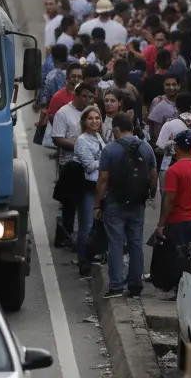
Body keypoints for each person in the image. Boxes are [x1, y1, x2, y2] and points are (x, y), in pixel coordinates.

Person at [94, 112, 158, 298]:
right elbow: (153, 175)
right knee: (135, 243)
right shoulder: (146, 147)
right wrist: (150, 195)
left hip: (115, 202)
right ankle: (135, 285)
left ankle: (116, 286)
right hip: (138, 202)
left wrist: (97, 205)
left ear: (116, 129)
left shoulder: (110, 149)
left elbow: (103, 179)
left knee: (115, 243)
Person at [154, 129, 191, 299]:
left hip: (177, 220)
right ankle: (186, 289)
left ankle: (177, 290)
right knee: (190, 255)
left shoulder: (174, 170)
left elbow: (169, 199)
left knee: (176, 256)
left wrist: (161, 224)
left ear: (176, 147)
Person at [51, 81, 95, 248]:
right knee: (69, 204)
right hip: (69, 165)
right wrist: (78, 146)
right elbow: (57, 138)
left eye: (90, 97)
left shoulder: (92, 113)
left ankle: (84, 238)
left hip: (88, 165)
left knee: (86, 203)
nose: (87, 100)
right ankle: (65, 235)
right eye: (84, 96)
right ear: (76, 95)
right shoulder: (64, 113)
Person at [73, 104, 106, 278]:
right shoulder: (82, 140)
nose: (95, 121)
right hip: (87, 187)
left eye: (97, 118)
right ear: (84, 121)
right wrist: (105, 159)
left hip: (100, 185)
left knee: (96, 225)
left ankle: (93, 257)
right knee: (86, 226)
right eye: (91, 118)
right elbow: (89, 166)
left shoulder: (99, 137)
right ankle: (83, 264)